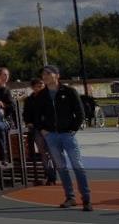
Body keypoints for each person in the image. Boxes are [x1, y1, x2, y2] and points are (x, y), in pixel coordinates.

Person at [34, 65, 91, 211]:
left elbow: (80, 112)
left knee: (77, 165)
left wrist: (73, 129)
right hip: (51, 136)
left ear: (57, 75)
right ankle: (70, 197)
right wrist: (43, 130)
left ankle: (86, 198)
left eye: (48, 73)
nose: (45, 76)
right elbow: (36, 116)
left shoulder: (69, 91)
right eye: (43, 74)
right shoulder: (41, 95)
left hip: (67, 134)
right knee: (61, 167)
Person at [22, 78, 58, 184]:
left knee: (53, 152)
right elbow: (26, 113)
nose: (38, 88)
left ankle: (54, 173)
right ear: (32, 88)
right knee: (42, 152)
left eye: (41, 86)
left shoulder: (50, 97)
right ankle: (48, 174)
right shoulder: (29, 100)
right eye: (36, 86)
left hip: (50, 129)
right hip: (37, 128)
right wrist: (28, 122)